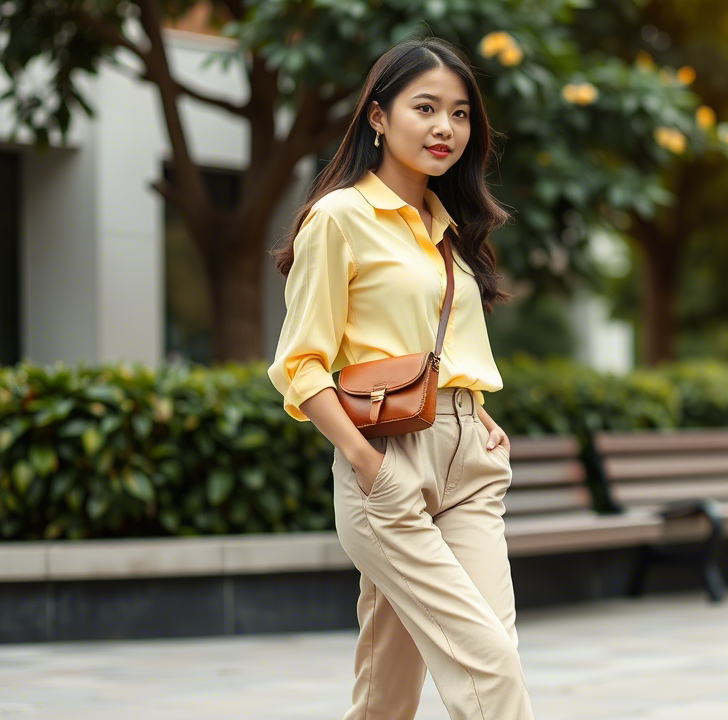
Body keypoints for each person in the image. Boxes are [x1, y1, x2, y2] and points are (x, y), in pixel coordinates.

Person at [266, 34, 535, 720]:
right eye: (425, 107)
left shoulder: (447, 227)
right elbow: (300, 364)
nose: (445, 127)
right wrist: (364, 463)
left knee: (393, 687)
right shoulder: (339, 218)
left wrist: (472, 412)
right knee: (488, 666)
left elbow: (448, 347)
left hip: (468, 463)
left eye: (460, 113)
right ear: (379, 117)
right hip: (386, 460)